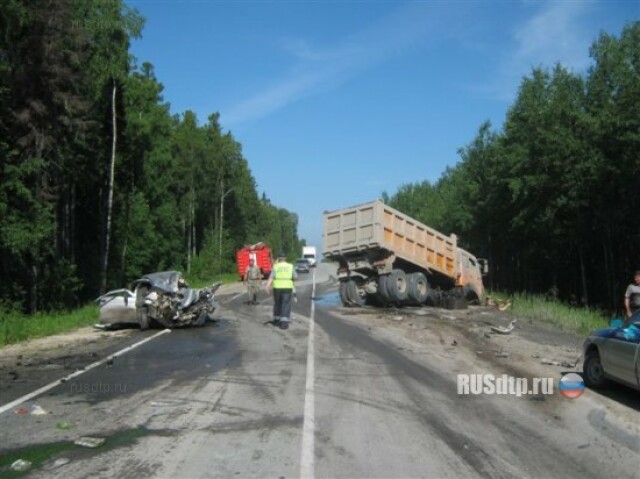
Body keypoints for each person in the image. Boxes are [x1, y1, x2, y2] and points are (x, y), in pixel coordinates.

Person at [265, 252, 297, 329]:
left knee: (277, 303)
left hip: (277, 287)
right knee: (285, 304)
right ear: (286, 258)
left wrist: (267, 286)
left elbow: (271, 277)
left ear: (278, 258)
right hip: (287, 287)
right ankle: (284, 322)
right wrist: (291, 279)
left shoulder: (275, 266)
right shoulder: (290, 266)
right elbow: (295, 276)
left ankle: (276, 319)